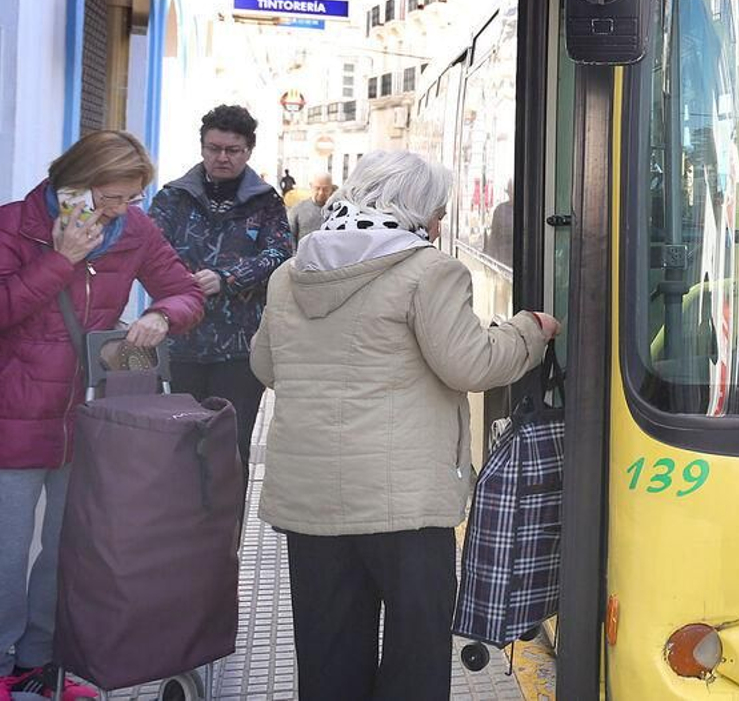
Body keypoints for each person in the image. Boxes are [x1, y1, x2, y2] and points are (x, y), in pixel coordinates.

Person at [250, 150, 559, 701]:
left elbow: (266, 366)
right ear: (412, 209)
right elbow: (472, 364)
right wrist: (528, 331)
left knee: (327, 660)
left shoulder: (291, 273)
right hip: (404, 509)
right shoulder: (429, 271)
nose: (440, 224)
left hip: (311, 504)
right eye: (437, 212)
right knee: (413, 664)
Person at [0, 131, 206, 698]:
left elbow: (185, 291)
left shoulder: (133, 230)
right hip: (13, 413)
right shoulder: (14, 226)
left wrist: (164, 314)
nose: (118, 210)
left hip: (91, 414)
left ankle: (42, 664)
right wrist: (61, 259)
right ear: (75, 180)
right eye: (109, 196)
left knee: (70, 550)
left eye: (130, 199)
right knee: (6, 553)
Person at [149, 105, 293, 470]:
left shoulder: (266, 201)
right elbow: (149, 251)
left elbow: (280, 254)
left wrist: (227, 278)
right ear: (201, 147)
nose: (222, 157)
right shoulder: (172, 197)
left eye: (232, 150)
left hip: (240, 350)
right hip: (180, 344)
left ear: (248, 151)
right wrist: (183, 283)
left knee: (231, 452)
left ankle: (226, 529)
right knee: (179, 452)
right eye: (214, 148)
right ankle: (180, 527)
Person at [288, 173, 336, 245]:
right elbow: (290, 238)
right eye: (317, 188)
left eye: (325, 189)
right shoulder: (297, 210)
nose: (321, 193)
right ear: (311, 186)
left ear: (331, 189)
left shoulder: (337, 210)